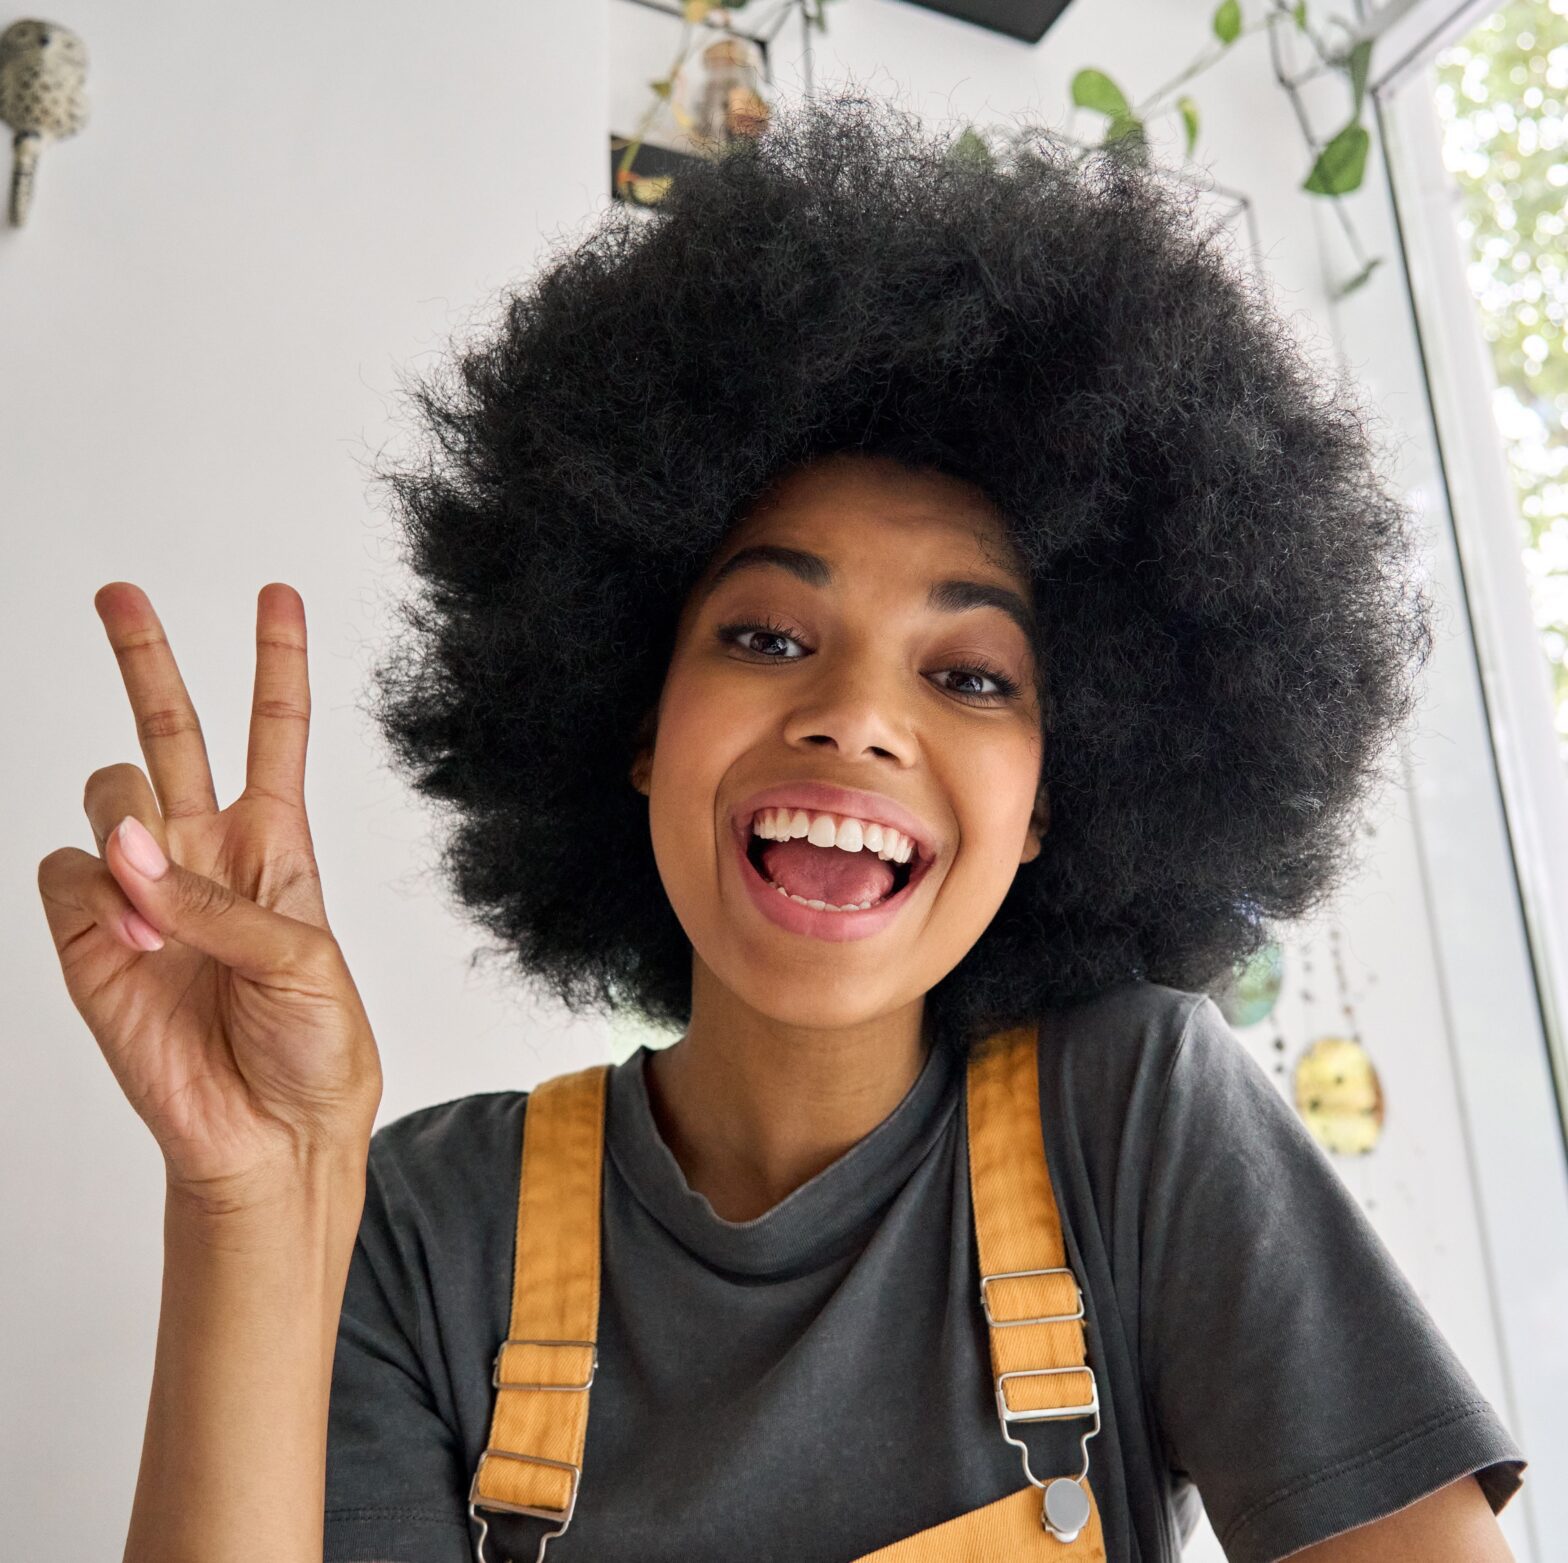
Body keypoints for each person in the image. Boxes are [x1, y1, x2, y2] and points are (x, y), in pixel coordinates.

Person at [39, 91, 1527, 1563]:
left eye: (970, 675)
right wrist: (250, 1191)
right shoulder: (420, 1232)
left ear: (1044, 811)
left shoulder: (1133, 1120)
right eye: (764, 636)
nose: (859, 717)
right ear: (636, 722)